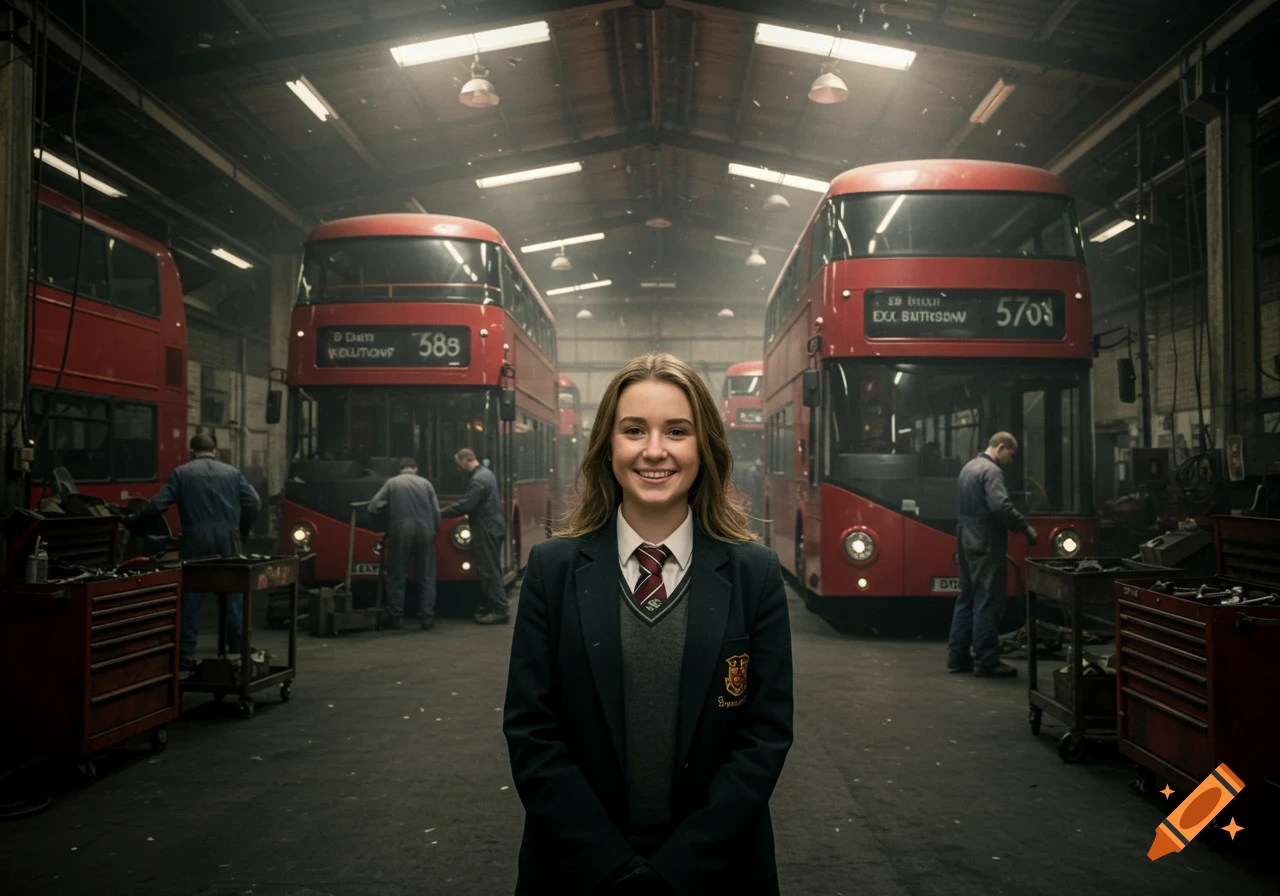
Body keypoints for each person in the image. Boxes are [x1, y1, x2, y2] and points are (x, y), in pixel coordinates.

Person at [503, 352, 794, 896]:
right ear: (607, 447)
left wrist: (676, 872)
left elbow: (764, 737)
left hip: (719, 874)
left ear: (703, 447)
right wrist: (609, 866)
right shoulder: (552, 570)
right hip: (575, 874)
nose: (654, 450)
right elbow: (532, 733)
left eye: (677, 431)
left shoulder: (755, 575)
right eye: (633, 429)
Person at [134, 434, 260, 671]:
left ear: (191, 451)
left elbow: (157, 505)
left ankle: (184, 657)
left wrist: (135, 520)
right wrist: (240, 531)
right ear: (215, 450)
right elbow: (254, 502)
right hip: (228, 542)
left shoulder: (182, 473)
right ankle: (237, 654)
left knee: (191, 599)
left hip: (195, 543)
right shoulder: (232, 473)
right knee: (233, 597)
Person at [947, 431, 1039, 678]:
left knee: (966, 597)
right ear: (1000, 448)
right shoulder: (992, 472)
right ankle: (987, 661)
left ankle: (957, 656)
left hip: (965, 539)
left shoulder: (968, 468)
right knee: (988, 600)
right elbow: (1001, 506)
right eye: (1011, 454)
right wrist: (1025, 528)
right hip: (986, 542)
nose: (1011, 460)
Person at [368, 457, 441, 630]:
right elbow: (436, 513)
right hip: (426, 531)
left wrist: (383, 524)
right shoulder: (426, 484)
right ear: (415, 468)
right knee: (427, 574)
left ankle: (396, 617)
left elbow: (373, 506)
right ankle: (427, 618)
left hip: (401, 531)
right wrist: (434, 530)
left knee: (397, 573)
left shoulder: (393, 483)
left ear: (399, 469)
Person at [441, 448, 508, 624]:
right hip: (491, 525)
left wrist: (440, 513)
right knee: (490, 568)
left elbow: (465, 505)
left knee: (489, 570)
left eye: (459, 465)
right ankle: (493, 606)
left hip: (486, 527)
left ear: (466, 461)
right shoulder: (486, 475)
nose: (458, 469)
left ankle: (499, 609)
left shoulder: (478, 480)